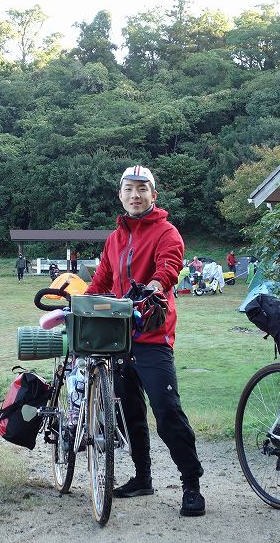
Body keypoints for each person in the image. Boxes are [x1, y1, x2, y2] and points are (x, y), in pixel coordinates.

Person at [85, 165, 205, 518]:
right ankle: (143, 477)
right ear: (120, 195)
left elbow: (168, 268)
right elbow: (102, 282)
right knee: (131, 412)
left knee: (167, 411)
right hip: (118, 338)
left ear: (154, 195)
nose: (135, 195)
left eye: (142, 189)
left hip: (153, 335)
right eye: (129, 189)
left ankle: (191, 484)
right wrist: (79, 304)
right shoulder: (115, 238)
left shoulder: (167, 232)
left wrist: (153, 288)